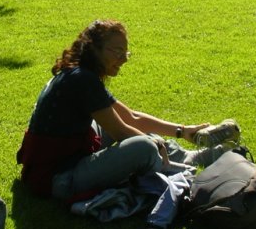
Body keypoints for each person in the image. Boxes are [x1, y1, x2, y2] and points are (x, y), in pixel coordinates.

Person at [16, 20, 234, 199]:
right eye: (118, 51)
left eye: (125, 53)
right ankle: (173, 166)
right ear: (94, 49)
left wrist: (182, 130)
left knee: (128, 129)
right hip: (59, 178)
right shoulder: (83, 80)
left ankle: (183, 156)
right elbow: (121, 132)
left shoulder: (80, 73)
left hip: (68, 158)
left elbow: (131, 117)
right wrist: (156, 144)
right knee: (143, 146)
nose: (123, 59)